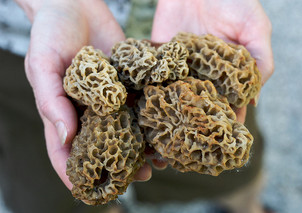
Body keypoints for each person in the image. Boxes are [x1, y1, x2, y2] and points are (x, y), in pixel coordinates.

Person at [0, 0, 273, 212]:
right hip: (29, 37)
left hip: (182, 26)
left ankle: (247, 208)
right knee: (47, 193)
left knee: (236, 170)